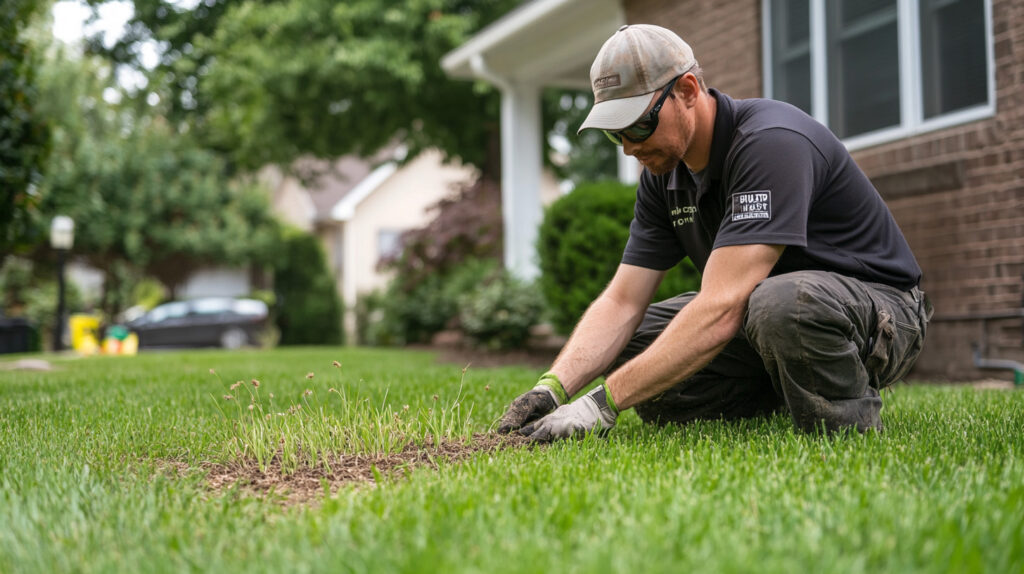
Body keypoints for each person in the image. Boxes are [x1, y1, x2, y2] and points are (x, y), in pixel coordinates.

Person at [497, 24, 932, 441]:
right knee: (641, 341)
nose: (630, 146)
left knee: (782, 303)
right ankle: (778, 393)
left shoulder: (771, 143)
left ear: (687, 91)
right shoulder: (663, 173)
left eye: (638, 125)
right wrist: (552, 388)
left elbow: (723, 307)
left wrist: (602, 403)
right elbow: (623, 300)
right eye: (616, 133)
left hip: (880, 312)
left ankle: (845, 423)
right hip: (765, 314)